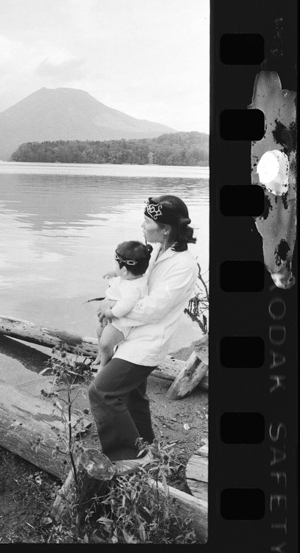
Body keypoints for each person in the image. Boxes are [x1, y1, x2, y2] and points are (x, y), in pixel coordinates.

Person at [89, 195, 199, 466]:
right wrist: (111, 298)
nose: (142, 226)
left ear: (166, 229)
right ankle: (146, 445)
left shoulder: (183, 265)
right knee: (133, 396)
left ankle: (129, 457)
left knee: (102, 392)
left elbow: (153, 309)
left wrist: (113, 310)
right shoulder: (158, 251)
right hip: (132, 334)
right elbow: (131, 282)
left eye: (148, 222)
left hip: (148, 341)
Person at [96, 241, 152, 370]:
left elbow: (125, 306)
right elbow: (124, 275)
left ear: (125, 270)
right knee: (99, 332)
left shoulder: (134, 289)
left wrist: (109, 313)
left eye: (116, 265)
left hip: (119, 321)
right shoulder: (130, 277)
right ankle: (102, 353)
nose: (115, 266)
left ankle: (104, 364)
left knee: (105, 343)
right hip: (112, 314)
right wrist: (115, 273)